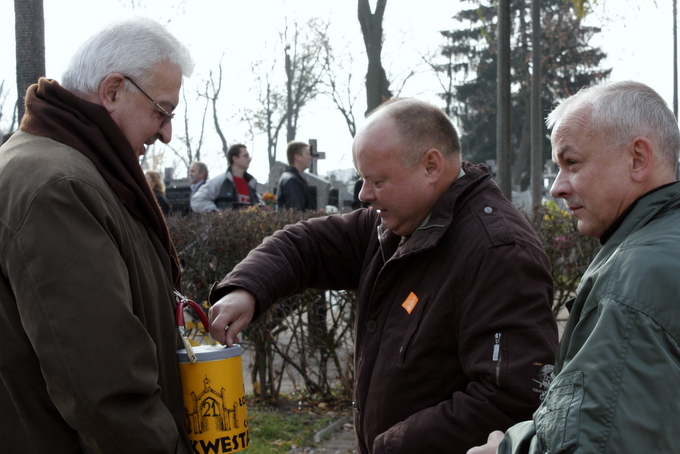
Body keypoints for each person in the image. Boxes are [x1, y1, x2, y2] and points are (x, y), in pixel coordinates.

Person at [208, 98, 559, 454]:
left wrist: (391, 445)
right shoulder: (397, 224)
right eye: (363, 179)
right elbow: (307, 245)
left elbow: (512, 396)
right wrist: (246, 289)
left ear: (431, 166)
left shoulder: (497, 252)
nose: (364, 195)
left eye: (377, 181)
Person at [0, 18, 194, 453]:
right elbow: (103, 387)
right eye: (162, 111)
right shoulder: (59, 187)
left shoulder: (67, 169)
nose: (165, 132)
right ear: (111, 92)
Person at [467, 80, 680, 454]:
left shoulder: (632, 280)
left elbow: (599, 442)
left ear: (638, 159)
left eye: (572, 163)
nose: (557, 188)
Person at [190, 144, 259, 212]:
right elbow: (197, 200)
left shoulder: (251, 183)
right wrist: (216, 213)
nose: (249, 159)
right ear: (235, 159)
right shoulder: (220, 181)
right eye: (245, 156)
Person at [277, 140, 317, 210]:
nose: (310, 158)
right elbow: (296, 212)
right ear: (297, 157)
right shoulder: (292, 181)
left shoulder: (294, 178)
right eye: (307, 154)